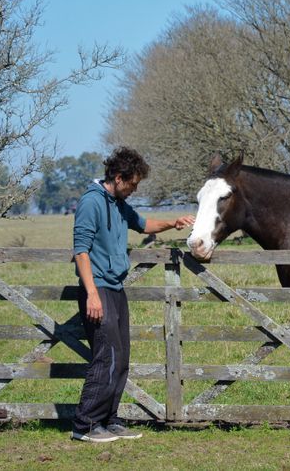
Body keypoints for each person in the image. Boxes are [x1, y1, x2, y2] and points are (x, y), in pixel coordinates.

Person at [71, 147, 194, 442]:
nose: (135, 189)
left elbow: (143, 225)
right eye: (134, 183)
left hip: (115, 288)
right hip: (97, 288)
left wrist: (172, 223)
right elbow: (80, 251)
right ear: (118, 177)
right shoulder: (92, 202)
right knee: (106, 356)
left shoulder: (117, 202)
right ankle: (85, 426)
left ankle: (109, 420)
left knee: (122, 356)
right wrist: (91, 294)